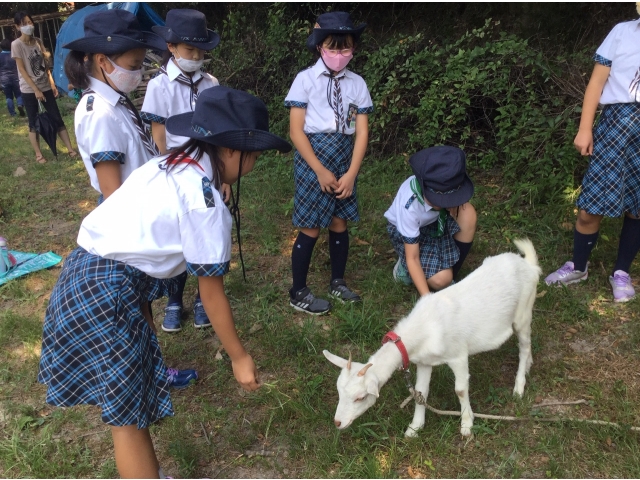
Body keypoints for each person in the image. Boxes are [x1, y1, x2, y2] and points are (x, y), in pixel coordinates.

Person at [38, 85, 291, 479]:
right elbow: (211, 289)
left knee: (132, 402)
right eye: (254, 153)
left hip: (82, 276)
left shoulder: (167, 164)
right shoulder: (202, 199)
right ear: (228, 150)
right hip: (109, 295)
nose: (255, 162)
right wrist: (240, 358)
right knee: (127, 418)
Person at [63, 9, 197, 389]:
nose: (139, 74)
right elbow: (113, 194)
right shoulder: (99, 112)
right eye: (134, 65)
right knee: (135, 310)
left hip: (136, 219)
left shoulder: (116, 103)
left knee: (141, 308)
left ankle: (150, 369)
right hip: (126, 229)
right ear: (103, 62)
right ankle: (146, 374)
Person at [142, 8, 230, 332]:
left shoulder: (211, 84)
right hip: (176, 172)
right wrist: (164, 174)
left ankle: (202, 300)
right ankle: (175, 299)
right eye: (189, 50)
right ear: (172, 48)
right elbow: (158, 135)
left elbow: (219, 134)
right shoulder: (159, 87)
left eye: (200, 50)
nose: (195, 56)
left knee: (207, 233)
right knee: (178, 237)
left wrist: (222, 177)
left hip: (207, 169)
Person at [544, 11, 640, 303]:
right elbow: (597, 83)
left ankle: (621, 272)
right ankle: (578, 266)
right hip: (616, 126)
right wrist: (585, 128)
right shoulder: (622, 33)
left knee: (638, 207)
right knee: (591, 206)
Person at [284, 11, 373, 315]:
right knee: (310, 226)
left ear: (354, 48)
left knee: (339, 221)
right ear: (320, 47)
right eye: (332, 48)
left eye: (345, 47)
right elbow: (296, 130)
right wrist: (320, 170)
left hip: (345, 157)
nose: (338, 54)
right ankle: (298, 291)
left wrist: (351, 173)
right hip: (313, 159)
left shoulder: (358, 84)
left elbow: (361, 131)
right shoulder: (304, 80)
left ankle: (337, 281)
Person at [385, 146, 477, 296]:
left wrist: (451, 203)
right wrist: (427, 299)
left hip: (434, 222)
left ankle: (452, 274)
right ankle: (405, 269)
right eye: (441, 198)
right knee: (441, 279)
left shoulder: (446, 184)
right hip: (413, 234)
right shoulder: (409, 206)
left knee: (468, 214)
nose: (447, 201)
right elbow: (413, 257)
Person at [11, 11, 77, 163]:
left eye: (29, 22)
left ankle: (70, 149)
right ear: (17, 26)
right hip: (29, 89)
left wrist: (52, 83)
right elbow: (22, 70)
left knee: (56, 117)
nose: (28, 26)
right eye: (24, 23)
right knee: (34, 122)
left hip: (45, 86)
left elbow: (45, 65)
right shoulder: (16, 45)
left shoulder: (38, 41)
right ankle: (38, 154)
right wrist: (35, 90)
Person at [0, 38, 25, 117]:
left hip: (4, 79)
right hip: (16, 77)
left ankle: (13, 114)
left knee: (8, 96)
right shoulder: (14, 55)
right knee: (18, 93)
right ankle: (20, 104)